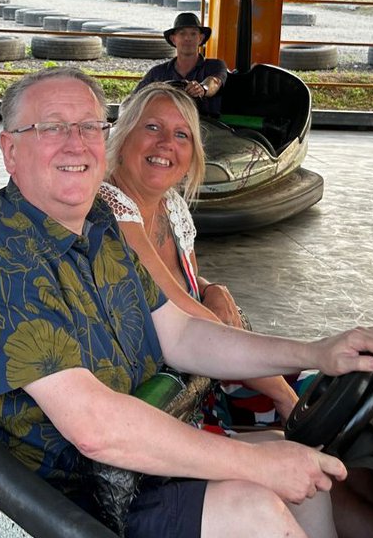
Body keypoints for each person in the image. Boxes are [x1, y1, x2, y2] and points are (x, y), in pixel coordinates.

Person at [0, 66, 373, 538]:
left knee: (296, 464)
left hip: (128, 473)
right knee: (254, 508)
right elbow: (96, 430)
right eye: (51, 128)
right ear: (10, 150)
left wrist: (317, 352)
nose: (75, 144)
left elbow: (182, 334)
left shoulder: (98, 227)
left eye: (88, 127)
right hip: (62, 511)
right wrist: (256, 466)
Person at [102, 82, 299, 427]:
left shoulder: (171, 205)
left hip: (204, 372)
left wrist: (211, 289)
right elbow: (181, 308)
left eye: (182, 135)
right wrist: (285, 397)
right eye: (153, 127)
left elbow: (185, 284)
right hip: (162, 400)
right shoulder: (112, 209)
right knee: (298, 427)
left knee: (339, 394)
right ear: (123, 136)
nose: (167, 143)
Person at [135, 11, 227, 116]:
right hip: (166, 123)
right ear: (173, 39)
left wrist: (202, 88)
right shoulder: (157, 73)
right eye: (182, 34)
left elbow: (214, 82)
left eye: (193, 34)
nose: (188, 38)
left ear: (200, 38)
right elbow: (133, 99)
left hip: (206, 124)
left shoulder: (215, 66)